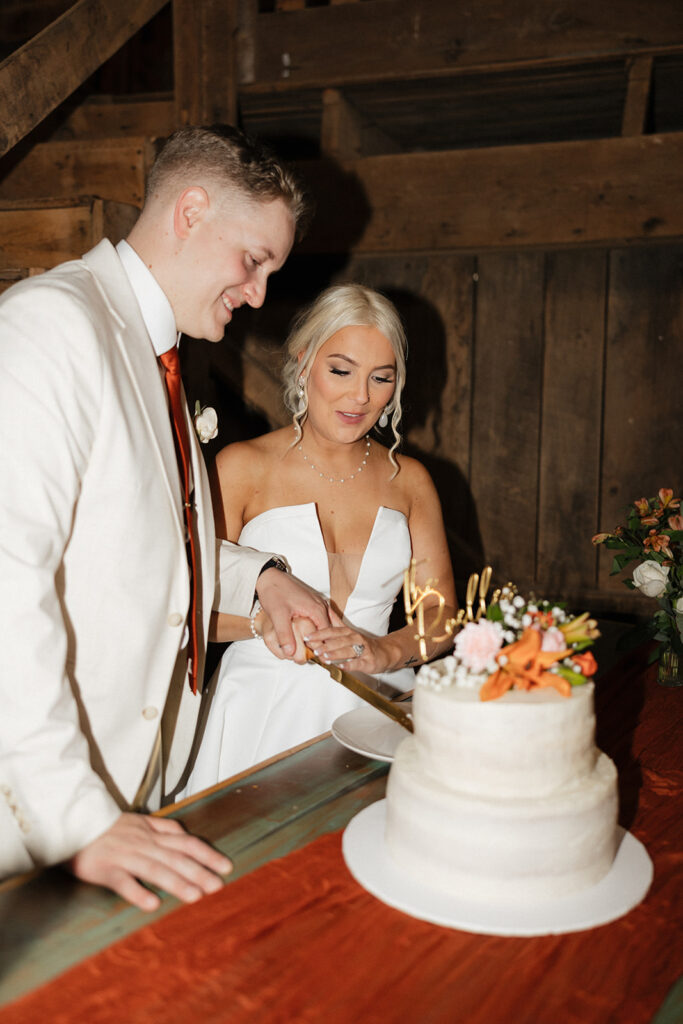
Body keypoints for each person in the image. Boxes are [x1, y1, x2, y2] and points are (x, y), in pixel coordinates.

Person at [0, 125, 332, 911]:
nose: (257, 294)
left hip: (135, 780)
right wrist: (77, 820)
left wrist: (261, 581)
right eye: (253, 261)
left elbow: (147, 533)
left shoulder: (162, 356)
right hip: (32, 809)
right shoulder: (52, 326)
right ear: (190, 211)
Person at [180, 284, 457, 795]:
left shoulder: (412, 480)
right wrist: (264, 622)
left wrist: (384, 651)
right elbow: (189, 614)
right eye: (341, 370)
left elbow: (440, 617)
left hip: (379, 707)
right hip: (257, 713)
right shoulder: (242, 467)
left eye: (381, 378)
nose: (360, 396)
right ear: (305, 362)